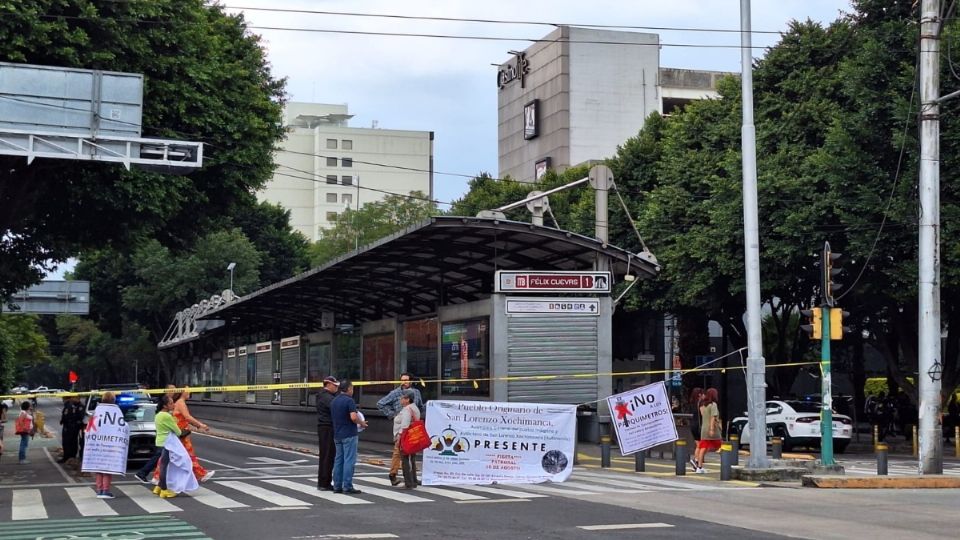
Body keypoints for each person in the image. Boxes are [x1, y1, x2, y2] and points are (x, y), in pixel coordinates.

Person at [152, 388, 213, 484]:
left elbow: (184, 418)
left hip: (179, 433)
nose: (189, 392)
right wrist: (200, 425)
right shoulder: (180, 403)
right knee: (187, 455)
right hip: (181, 434)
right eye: (187, 390)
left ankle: (157, 476)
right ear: (182, 392)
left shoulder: (177, 403)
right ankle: (201, 474)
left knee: (173, 456)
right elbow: (188, 417)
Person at [376, 372, 423, 485]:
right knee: (399, 451)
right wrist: (393, 414)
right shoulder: (395, 393)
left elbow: (420, 405)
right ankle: (394, 474)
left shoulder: (416, 392)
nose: (404, 382)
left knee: (411, 452)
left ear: (410, 381)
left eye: (406, 380)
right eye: (402, 380)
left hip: (413, 426)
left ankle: (412, 477)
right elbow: (380, 403)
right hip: (401, 425)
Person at [331, 380, 367, 494]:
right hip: (349, 433)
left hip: (337, 434)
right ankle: (347, 485)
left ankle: (337, 485)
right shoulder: (349, 401)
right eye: (352, 388)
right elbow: (353, 417)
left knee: (338, 460)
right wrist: (361, 423)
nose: (353, 390)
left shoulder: (334, 401)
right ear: (348, 389)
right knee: (349, 460)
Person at [135, 385, 176, 482]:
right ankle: (146, 474)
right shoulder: (165, 415)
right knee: (162, 460)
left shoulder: (158, 414)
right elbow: (177, 430)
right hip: (165, 441)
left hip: (160, 440)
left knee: (160, 459)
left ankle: (153, 476)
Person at [90, 392, 127, 499]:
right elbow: (121, 425)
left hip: (97, 443)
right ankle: (105, 490)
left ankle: (99, 490)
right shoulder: (116, 411)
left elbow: (91, 426)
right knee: (107, 468)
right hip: (109, 444)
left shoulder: (97, 410)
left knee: (99, 468)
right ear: (113, 400)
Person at [152, 394, 183, 498]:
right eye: (171, 403)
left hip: (160, 442)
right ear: (165, 405)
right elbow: (178, 432)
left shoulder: (158, 415)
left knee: (163, 465)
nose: (173, 404)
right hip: (168, 443)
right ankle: (164, 489)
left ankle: (159, 487)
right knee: (165, 466)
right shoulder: (167, 416)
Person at [393, 389, 422, 489]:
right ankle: (413, 480)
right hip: (413, 436)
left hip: (406, 437)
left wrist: (399, 438)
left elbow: (404, 425)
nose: (400, 400)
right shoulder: (414, 408)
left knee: (405, 459)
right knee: (411, 459)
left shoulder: (407, 409)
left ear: (407, 399)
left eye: (402, 398)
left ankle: (408, 482)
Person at [316, 375, 340, 491]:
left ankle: (325, 481)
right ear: (328, 384)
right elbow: (336, 407)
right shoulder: (326, 397)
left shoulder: (326, 396)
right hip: (327, 428)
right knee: (327, 455)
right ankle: (324, 482)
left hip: (327, 427)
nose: (336, 388)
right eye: (335, 386)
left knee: (328, 455)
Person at [693, 388, 722, 473]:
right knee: (722, 446)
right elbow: (713, 417)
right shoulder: (713, 405)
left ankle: (699, 467)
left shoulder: (702, 405)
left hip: (704, 429)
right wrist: (712, 429)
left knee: (703, 448)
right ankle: (726, 465)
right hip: (712, 430)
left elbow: (703, 415)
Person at [59, 395, 85, 463]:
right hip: (69, 426)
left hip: (71, 426)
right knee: (69, 442)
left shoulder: (73, 406)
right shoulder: (72, 405)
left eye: (74, 398)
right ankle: (69, 457)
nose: (72, 399)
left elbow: (76, 417)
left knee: (69, 442)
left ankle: (69, 457)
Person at [687, 387, 704, 471]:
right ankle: (696, 460)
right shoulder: (700, 403)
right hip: (699, 425)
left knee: (698, 444)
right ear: (699, 395)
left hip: (693, 424)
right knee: (701, 445)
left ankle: (696, 462)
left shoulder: (692, 403)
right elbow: (703, 414)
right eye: (702, 393)